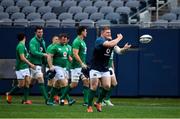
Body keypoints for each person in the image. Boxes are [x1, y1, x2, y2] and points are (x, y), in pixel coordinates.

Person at [87, 26, 126, 112]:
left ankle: (98, 102)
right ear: (102, 33)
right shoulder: (99, 40)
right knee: (94, 86)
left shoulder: (111, 41)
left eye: (110, 32)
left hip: (104, 68)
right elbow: (109, 44)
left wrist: (124, 49)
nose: (109, 34)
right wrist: (119, 38)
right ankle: (89, 106)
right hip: (95, 67)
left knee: (107, 86)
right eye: (107, 32)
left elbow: (119, 51)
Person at [60, 26, 89, 106]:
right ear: (82, 32)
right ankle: (62, 97)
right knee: (74, 84)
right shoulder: (76, 41)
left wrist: (84, 63)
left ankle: (86, 102)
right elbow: (75, 54)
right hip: (76, 66)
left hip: (81, 66)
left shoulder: (83, 41)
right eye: (85, 31)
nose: (86, 33)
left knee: (86, 81)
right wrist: (81, 63)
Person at [6, 32, 35, 104]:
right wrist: (31, 64)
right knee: (21, 84)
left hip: (25, 67)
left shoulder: (23, 45)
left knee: (27, 83)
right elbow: (22, 58)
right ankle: (9, 94)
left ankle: (25, 100)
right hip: (20, 68)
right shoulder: (20, 46)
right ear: (25, 38)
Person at [47, 33, 75, 105]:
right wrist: (51, 66)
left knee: (56, 85)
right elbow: (49, 56)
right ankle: (69, 99)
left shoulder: (66, 47)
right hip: (57, 67)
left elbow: (69, 57)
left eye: (65, 39)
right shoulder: (55, 47)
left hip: (64, 68)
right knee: (64, 83)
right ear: (59, 39)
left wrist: (74, 63)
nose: (64, 40)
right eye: (63, 39)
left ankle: (49, 101)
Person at [29, 26, 48, 104]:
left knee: (30, 83)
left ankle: (23, 97)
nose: (40, 33)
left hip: (39, 64)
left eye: (41, 32)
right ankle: (47, 99)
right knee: (40, 78)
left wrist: (46, 63)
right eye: (39, 32)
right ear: (35, 33)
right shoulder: (33, 41)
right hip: (34, 64)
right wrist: (43, 54)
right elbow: (33, 52)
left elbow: (45, 52)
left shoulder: (43, 41)